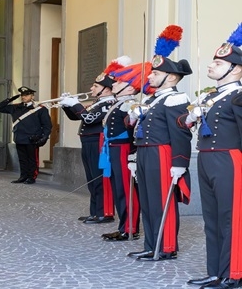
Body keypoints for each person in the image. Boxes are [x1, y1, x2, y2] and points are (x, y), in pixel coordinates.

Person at [127, 25, 193, 261]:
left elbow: (181, 133)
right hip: (145, 153)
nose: (150, 76)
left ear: (172, 77)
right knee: (147, 199)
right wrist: (133, 154)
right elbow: (135, 129)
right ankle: (150, 243)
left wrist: (180, 163)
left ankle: (166, 246)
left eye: (155, 73)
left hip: (163, 154)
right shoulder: (152, 100)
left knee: (161, 199)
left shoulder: (176, 98)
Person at [184, 25, 242, 288]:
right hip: (207, 159)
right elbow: (180, 123)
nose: (211, 66)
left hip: (229, 160)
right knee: (212, 217)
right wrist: (190, 117)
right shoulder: (211, 97)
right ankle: (215, 270)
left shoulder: (238, 97)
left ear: (236, 69)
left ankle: (233, 273)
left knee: (230, 217)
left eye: (218, 63)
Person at [59, 56, 130, 224]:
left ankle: (104, 212)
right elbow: (79, 118)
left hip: (97, 142)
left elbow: (89, 119)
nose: (91, 88)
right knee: (91, 178)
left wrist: (75, 104)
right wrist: (67, 105)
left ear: (106, 89)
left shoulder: (108, 104)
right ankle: (95, 211)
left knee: (99, 178)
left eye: (96, 86)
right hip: (88, 142)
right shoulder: (98, 103)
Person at [98, 61, 149, 240]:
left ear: (129, 88)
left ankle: (130, 228)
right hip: (113, 148)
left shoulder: (129, 105)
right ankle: (124, 226)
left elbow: (134, 131)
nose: (114, 84)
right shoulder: (118, 103)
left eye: (119, 82)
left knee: (126, 189)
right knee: (118, 188)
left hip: (123, 149)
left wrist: (133, 154)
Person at [0, 86, 52, 184]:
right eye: (22, 95)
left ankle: (31, 177)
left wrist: (44, 137)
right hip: (19, 137)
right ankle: (23, 176)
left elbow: (47, 125)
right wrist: (10, 99)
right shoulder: (16, 107)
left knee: (32, 159)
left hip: (32, 138)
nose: (23, 97)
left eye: (26, 95)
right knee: (22, 159)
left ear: (32, 96)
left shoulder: (40, 109)